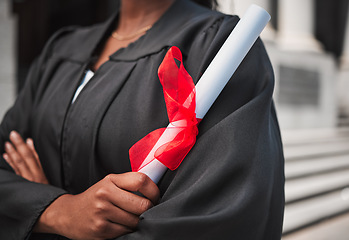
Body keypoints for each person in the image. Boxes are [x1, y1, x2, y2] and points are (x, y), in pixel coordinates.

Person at [0, 0, 285, 239]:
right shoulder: (61, 50)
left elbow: (219, 218)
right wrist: (58, 211)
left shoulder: (220, 47)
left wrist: (31, 211)